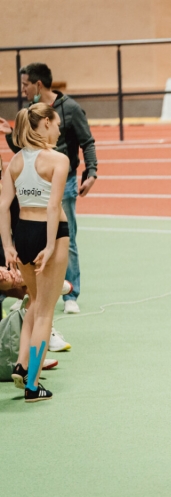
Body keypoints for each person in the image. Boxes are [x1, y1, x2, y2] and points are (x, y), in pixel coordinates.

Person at [0, 62, 98, 315]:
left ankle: (70, 293)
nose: (22, 89)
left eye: (25, 84)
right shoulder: (31, 112)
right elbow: (23, 154)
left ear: (38, 84)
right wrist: (11, 135)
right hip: (37, 185)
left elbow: (87, 141)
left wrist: (91, 171)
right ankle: (35, 298)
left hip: (62, 180)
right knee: (40, 238)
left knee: (67, 237)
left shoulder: (70, 109)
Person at [0, 103, 71, 402]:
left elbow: (3, 206)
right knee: (45, 311)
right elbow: (53, 206)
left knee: (34, 301)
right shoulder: (58, 159)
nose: (58, 129)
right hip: (49, 233)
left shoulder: (14, 161)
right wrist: (52, 245)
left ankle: (22, 364)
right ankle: (32, 385)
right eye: (55, 124)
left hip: (23, 232)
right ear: (43, 123)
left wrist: (7, 245)